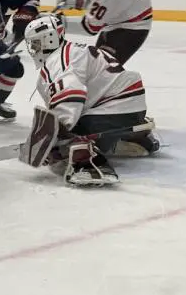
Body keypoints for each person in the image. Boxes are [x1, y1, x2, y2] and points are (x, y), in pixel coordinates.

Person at [21, 15, 159, 186]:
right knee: (73, 126)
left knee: (68, 138)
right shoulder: (72, 50)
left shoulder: (59, 60)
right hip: (131, 107)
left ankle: (89, 165)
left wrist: (56, 137)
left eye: (36, 43)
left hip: (114, 108)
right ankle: (136, 138)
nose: (34, 49)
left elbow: (71, 96)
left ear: (49, 39)